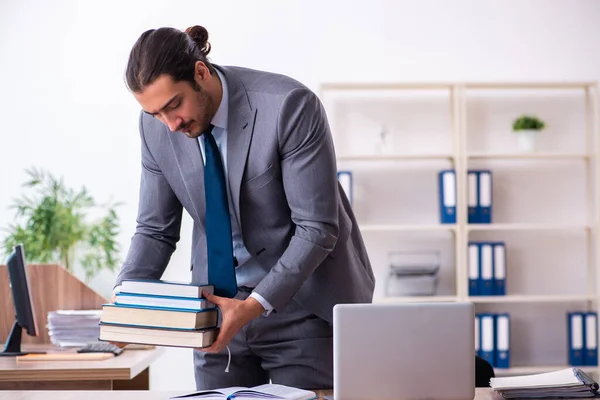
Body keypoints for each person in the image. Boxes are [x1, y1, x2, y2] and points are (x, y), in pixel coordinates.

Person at [112, 24, 375, 390]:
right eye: (156, 113)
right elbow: (155, 230)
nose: (170, 125)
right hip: (214, 314)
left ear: (200, 72)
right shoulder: (157, 128)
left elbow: (317, 228)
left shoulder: (288, 106)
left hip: (301, 307)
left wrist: (251, 306)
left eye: (174, 105)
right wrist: (125, 303)